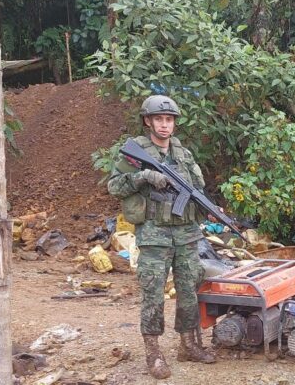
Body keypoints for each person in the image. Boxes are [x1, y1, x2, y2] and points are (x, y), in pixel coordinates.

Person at [107, 95, 215, 379]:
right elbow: (114, 186)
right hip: (154, 234)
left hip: (186, 233)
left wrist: (211, 210)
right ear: (148, 121)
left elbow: (197, 190)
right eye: (159, 119)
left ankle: (189, 344)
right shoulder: (134, 153)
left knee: (190, 290)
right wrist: (143, 177)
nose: (164, 125)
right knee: (153, 293)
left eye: (169, 120)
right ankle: (153, 354)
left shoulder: (183, 155)